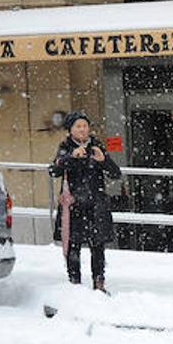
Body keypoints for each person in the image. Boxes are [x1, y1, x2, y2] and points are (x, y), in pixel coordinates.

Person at [49, 111, 120, 292]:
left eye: (85, 126)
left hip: (96, 205)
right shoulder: (65, 147)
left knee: (98, 246)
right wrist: (71, 157)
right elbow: (53, 170)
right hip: (74, 206)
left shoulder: (96, 146)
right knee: (73, 246)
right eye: (78, 126)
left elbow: (116, 173)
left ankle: (99, 283)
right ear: (70, 129)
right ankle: (74, 284)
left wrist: (103, 160)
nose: (82, 129)